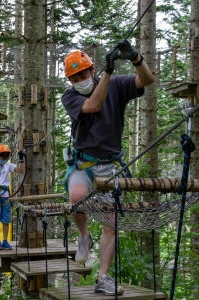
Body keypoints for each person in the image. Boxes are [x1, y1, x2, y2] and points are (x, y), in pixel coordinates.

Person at [61, 40, 155, 296]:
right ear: (70, 80)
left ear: (92, 70)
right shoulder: (70, 96)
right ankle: (83, 235)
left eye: (84, 72)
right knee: (76, 198)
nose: (81, 78)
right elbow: (93, 106)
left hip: (111, 164)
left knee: (110, 223)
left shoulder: (115, 85)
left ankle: (103, 277)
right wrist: (109, 72)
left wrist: (136, 58)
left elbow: (146, 80)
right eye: (75, 76)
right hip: (84, 162)